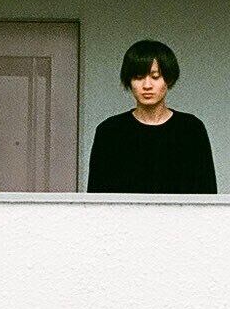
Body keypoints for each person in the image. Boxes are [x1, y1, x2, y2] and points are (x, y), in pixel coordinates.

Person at [87, 40, 217, 194]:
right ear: (129, 81)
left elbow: (207, 195)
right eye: (138, 77)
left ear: (168, 79)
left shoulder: (191, 129)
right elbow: (96, 197)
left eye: (155, 77)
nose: (147, 85)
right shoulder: (109, 131)